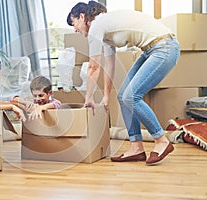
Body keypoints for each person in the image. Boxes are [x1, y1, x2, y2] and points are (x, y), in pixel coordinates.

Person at [67, 1, 180, 165]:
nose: (75, 29)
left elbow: (93, 67)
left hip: (165, 47)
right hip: (151, 50)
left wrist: (88, 97)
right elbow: (109, 66)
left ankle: (162, 140)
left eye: (74, 23)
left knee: (131, 96)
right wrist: (106, 96)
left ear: (83, 17)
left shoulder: (97, 25)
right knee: (123, 96)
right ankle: (136, 147)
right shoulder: (104, 32)